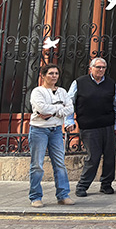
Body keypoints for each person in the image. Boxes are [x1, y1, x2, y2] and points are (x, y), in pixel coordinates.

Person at [67, 57, 116, 197]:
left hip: (108, 125)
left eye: (103, 67)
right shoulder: (79, 83)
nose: (101, 70)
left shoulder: (111, 83)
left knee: (110, 157)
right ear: (90, 68)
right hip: (89, 126)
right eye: (98, 67)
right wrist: (68, 121)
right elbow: (69, 103)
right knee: (93, 157)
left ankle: (106, 184)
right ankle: (82, 186)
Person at [29, 64, 74, 207]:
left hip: (56, 130)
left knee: (60, 164)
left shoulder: (62, 91)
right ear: (43, 75)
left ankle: (63, 195)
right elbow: (41, 108)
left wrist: (53, 112)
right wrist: (60, 108)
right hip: (39, 130)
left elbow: (70, 108)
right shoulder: (38, 92)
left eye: (56, 73)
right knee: (37, 165)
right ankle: (35, 197)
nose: (54, 76)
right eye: (50, 73)